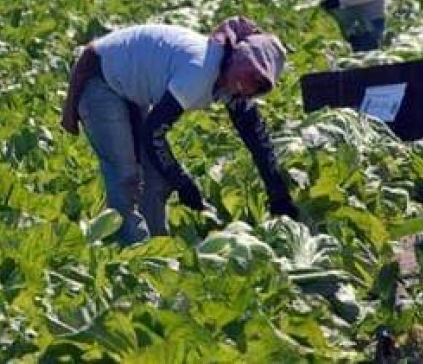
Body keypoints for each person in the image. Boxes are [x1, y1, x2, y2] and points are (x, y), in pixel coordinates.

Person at [61, 17, 298, 246]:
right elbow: (153, 132)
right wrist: (184, 184)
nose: (247, 85)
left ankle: (155, 246)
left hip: (129, 85)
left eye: (257, 83)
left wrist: (279, 196)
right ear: (237, 56)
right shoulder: (201, 71)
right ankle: (132, 252)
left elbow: (256, 139)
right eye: (249, 72)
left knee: (155, 178)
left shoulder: (235, 85)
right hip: (99, 78)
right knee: (125, 175)